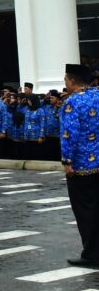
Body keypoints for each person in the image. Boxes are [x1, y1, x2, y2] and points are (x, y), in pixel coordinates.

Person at [61, 63, 99, 268]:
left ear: (72, 80)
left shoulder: (73, 102)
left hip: (82, 165)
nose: (65, 84)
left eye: (65, 80)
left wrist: (67, 161)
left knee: (86, 210)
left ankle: (92, 253)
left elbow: (70, 134)